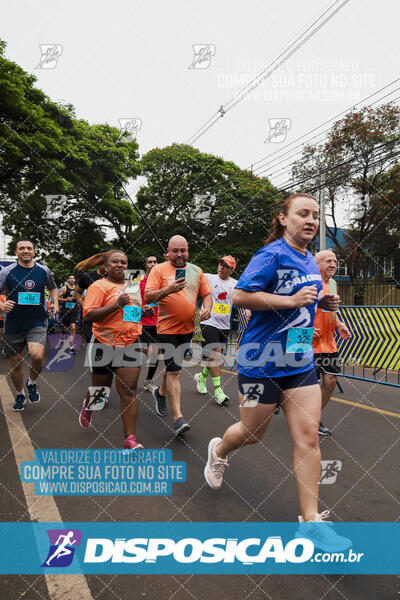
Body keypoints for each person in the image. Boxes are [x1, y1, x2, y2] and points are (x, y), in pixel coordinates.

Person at [204, 194, 351, 550]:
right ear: (283, 219)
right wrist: (290, 301)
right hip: (260, 362)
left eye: (315, 216)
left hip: (298, 363)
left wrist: (322, 301)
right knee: (252, 433)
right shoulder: (270, 255)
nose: (311, 220)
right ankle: (220, 452)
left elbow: (304, 297)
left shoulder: (308, 262)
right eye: (303, 214)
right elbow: (240, 296)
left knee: (309, 438)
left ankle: (311, 523)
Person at [144, 235, 212, 436]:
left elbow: (206, 294)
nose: (180, 254)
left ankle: (160, 392)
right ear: (168, 251)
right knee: (175, 372)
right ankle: (178, 418)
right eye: (175, 251)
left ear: (188, 250)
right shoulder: (159, 270)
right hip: (166, 329)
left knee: (174, 367)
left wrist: (207, 308)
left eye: (183, 250)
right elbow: (148, 296)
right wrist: (168, 289)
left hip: (188, 329)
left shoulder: (196, 271)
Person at [81, 250, 144, 449]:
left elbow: (131, 312)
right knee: (101, 391)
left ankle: (130, 440)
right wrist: (116, 304)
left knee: (129, 390)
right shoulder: (98, 286)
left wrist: (143, 311)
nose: (119, 265)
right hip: (104, 343)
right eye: (115, 262)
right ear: (106, 267)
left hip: (130, 343)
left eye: (123, 262)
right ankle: (89, 405)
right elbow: (89, 316)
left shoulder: (132, 286)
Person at [0, 239, 59, 411]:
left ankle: (32, 382)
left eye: (29, 248)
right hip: (14, 323)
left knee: (37, 356)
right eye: (22, 248)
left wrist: (55, 303)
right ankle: (20, 394)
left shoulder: (43, 270)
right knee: (16, 363)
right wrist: (2, 305)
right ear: (16, 252)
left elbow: (53, 288)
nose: (26, 251)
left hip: (37, 321)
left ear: (34, 251)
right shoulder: (6, 272)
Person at [313, 250, 351, 436]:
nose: (333, 264)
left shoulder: (333, 284)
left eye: (335, 261)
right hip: (305, 341)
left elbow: (331, 311)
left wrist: (339, 325)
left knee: (330, 380)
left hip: (328, 342)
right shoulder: (307, 282)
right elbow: (293, 309)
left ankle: (314, 418)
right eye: (328, 260)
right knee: (305, 386)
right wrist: (304, 327)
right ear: (316, 263)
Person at [194, 255, 239, 405]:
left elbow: (242, 300)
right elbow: (190, 276)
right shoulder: (208, 277)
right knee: (216, 355)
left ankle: (201, 376)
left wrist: (246, 310)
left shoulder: (235, 284)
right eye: (220, 264)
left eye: (226, 266)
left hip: (224, 326)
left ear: (232, 270)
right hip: (208, 322)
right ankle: (218, 391)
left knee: (213, 358)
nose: (222, 267)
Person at [140, 254, 161, 392]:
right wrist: (142, 308)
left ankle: (148, 381)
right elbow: (130, 301)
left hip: (158, 323)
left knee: (157, 353)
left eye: (155, 262)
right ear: (146, 265)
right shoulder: (138, 282)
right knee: (148, 351)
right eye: (150, 262)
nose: (152, 264)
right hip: (142, 322)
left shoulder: (161, 282)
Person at [74, 254, 106, 343]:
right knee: (94, 346)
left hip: (109, 319)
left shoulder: (115, 277)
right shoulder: (87, 276)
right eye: (105, 263)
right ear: (99, 263)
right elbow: (77, 293)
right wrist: (84, 306)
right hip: (92, 318)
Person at [58, 275, 79, 353]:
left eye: (73, 278)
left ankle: (72, 346)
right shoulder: (64, 288)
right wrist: (65, 299)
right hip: (65, 310)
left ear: (75, 279)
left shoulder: (77, 288)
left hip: (74, 310)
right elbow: (57, 297)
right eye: (70, 278)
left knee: (73, 327)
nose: (72, 280)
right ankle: (63, 336)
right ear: (68, 280)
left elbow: (81, 296)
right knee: (65, 328)